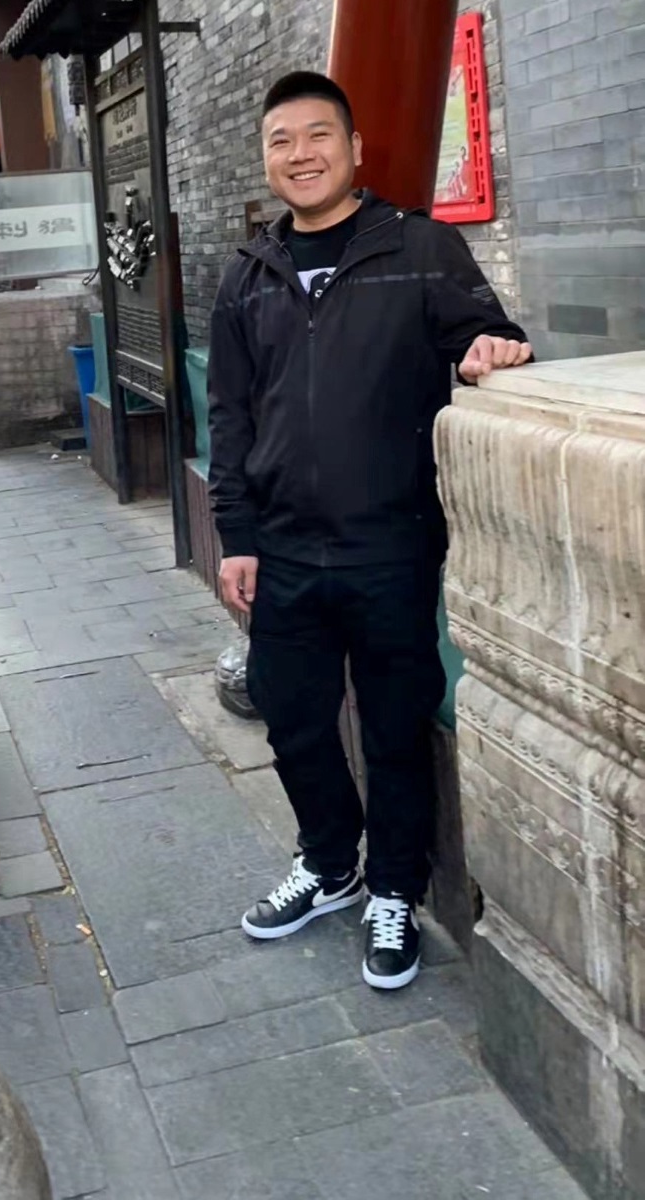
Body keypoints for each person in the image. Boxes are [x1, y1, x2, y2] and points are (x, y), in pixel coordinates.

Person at [208, 71, 532, 990]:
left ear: (354, 150)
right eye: (281, 140)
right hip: (282, 548)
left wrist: (493, 350)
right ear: (267, 159)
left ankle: (393, 887)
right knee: (293, 718)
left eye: (318, 135)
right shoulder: (247, 275)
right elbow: (230, 413)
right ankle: (328, 864)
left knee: (394, 727)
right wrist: (236, 534)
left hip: (391, 543)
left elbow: (486, 337)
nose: (300, 154)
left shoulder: (420, 248)